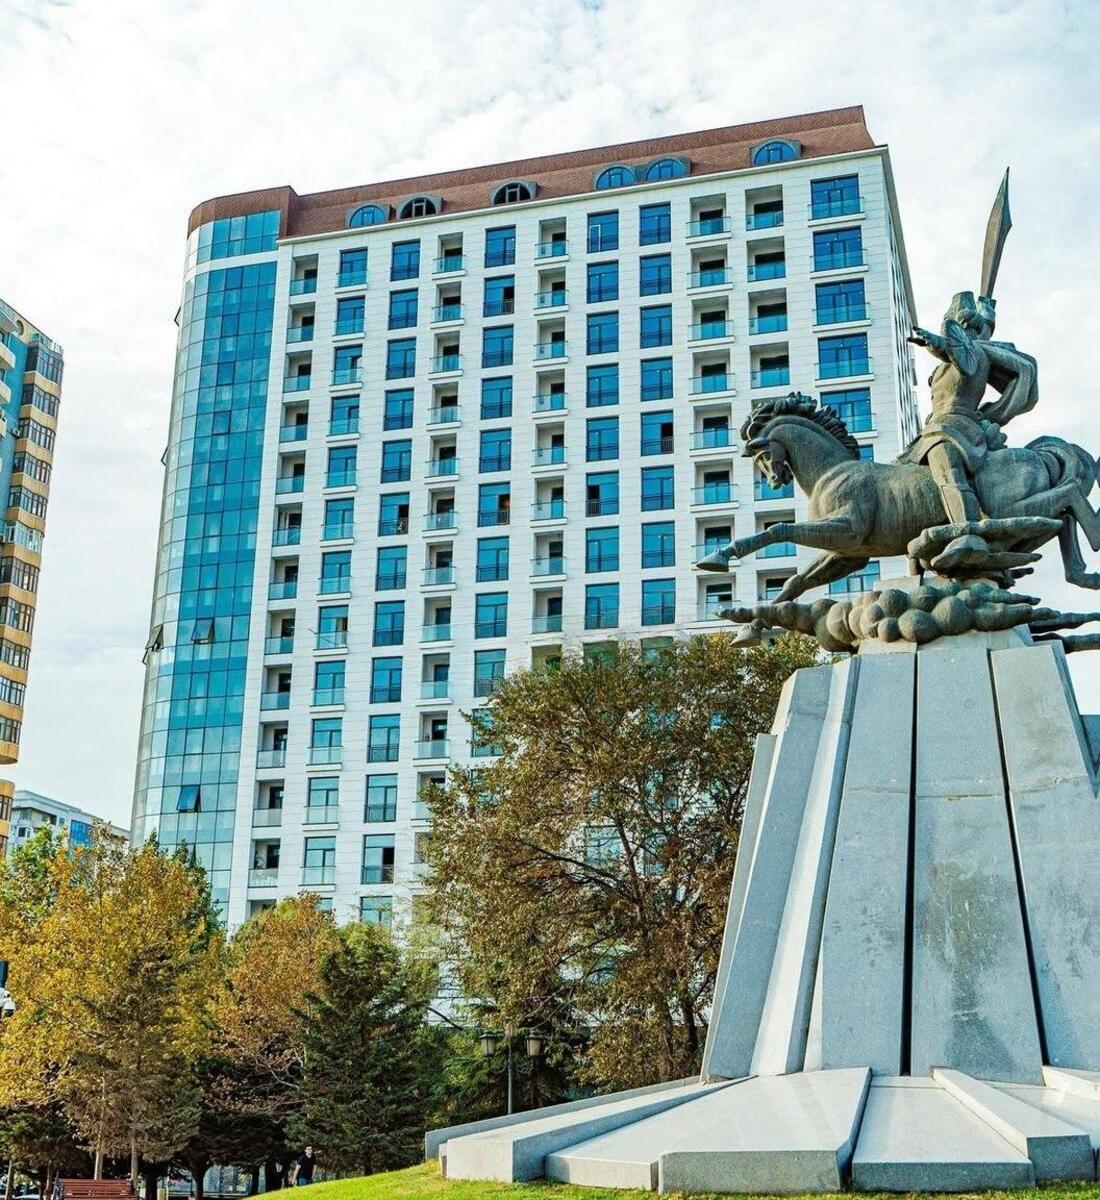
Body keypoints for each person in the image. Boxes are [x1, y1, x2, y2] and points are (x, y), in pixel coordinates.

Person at [902, 290, 1038, 567]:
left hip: (955, 427)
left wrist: (937, 342)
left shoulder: (973, 354)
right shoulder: (952, 358)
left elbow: (961, 357)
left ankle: (969, 533)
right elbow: (955, 348)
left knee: (948, 473)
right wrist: (941, 343)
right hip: (933, 429)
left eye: (954, 325)